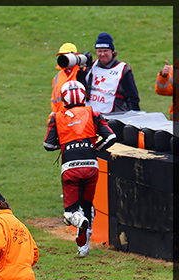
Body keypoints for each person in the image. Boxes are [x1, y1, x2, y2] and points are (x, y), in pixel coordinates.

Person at [44, 80, 116, 256]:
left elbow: (48, 144)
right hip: (91, 166)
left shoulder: (57, 117)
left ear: (64, 99)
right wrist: (93, 148)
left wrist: (65, 145)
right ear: (84, 95)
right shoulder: (93, 113)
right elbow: (111, 137)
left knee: (70, 214)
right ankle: (83, 248)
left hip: (70, 168)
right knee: (88, 204)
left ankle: (80, 221)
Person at [85, 32, 140, 113]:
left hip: (115, 116)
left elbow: (133, 97)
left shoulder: (123, 70)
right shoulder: (91, 66)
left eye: (105, 51)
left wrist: (136, 115)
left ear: (112, 52)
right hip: (90, 114)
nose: (102, 54)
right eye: (99, 51)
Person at [50, 43, 91, 115]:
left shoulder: (84, 72)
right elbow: (55, 102)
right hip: (63, 119)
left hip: (80, 117)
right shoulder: (58, 77)